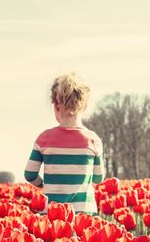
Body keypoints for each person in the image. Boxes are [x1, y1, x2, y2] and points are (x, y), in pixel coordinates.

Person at [24, 73, 105, 214]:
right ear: (85, 106)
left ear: (56, 106)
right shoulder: (93, 140)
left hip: (52, 213)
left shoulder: (44, 139)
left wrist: (43, 184)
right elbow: (99, 177)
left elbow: (29, 174)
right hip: (84, 212)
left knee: (56, 235)